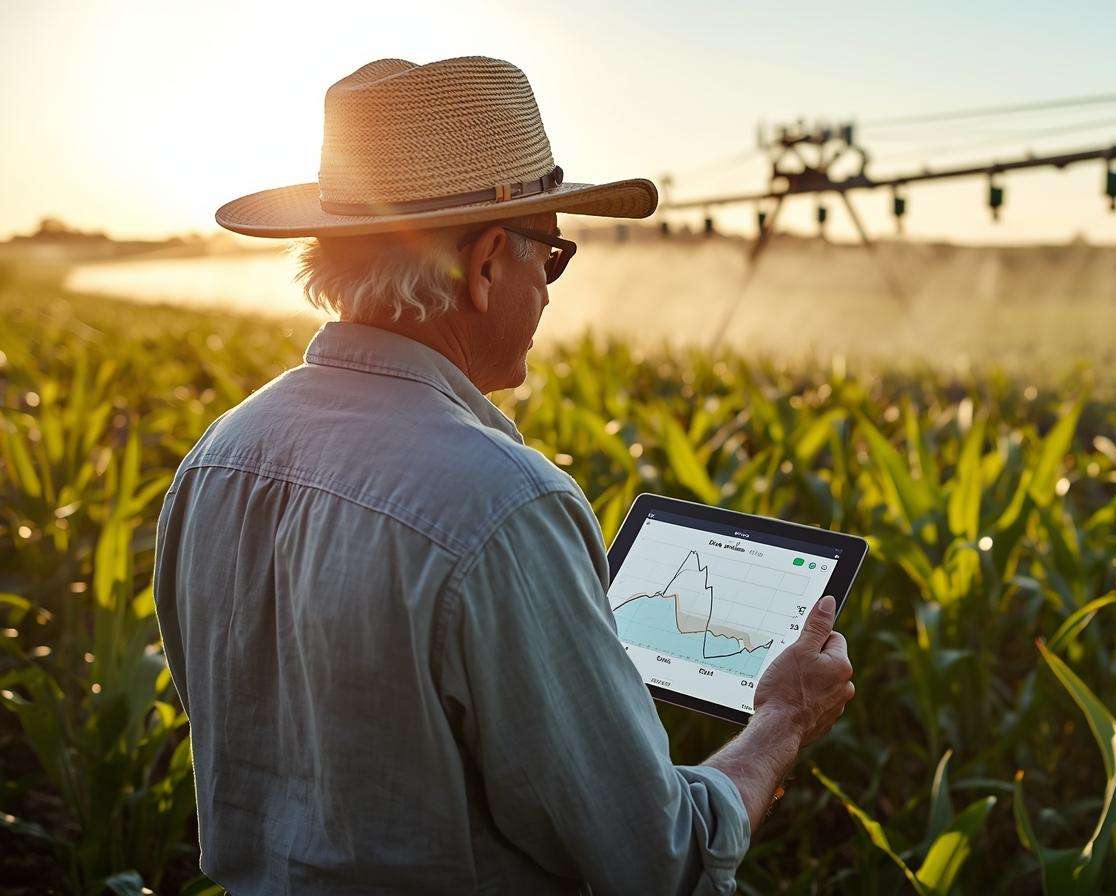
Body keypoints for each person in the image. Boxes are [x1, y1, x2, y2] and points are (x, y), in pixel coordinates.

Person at [153, 56, 855, 895]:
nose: (551, 294)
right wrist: (781, 722)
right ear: (488, 264)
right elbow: (655, 862)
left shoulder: (221, 455)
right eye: (551, 255)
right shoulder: (504, 506)